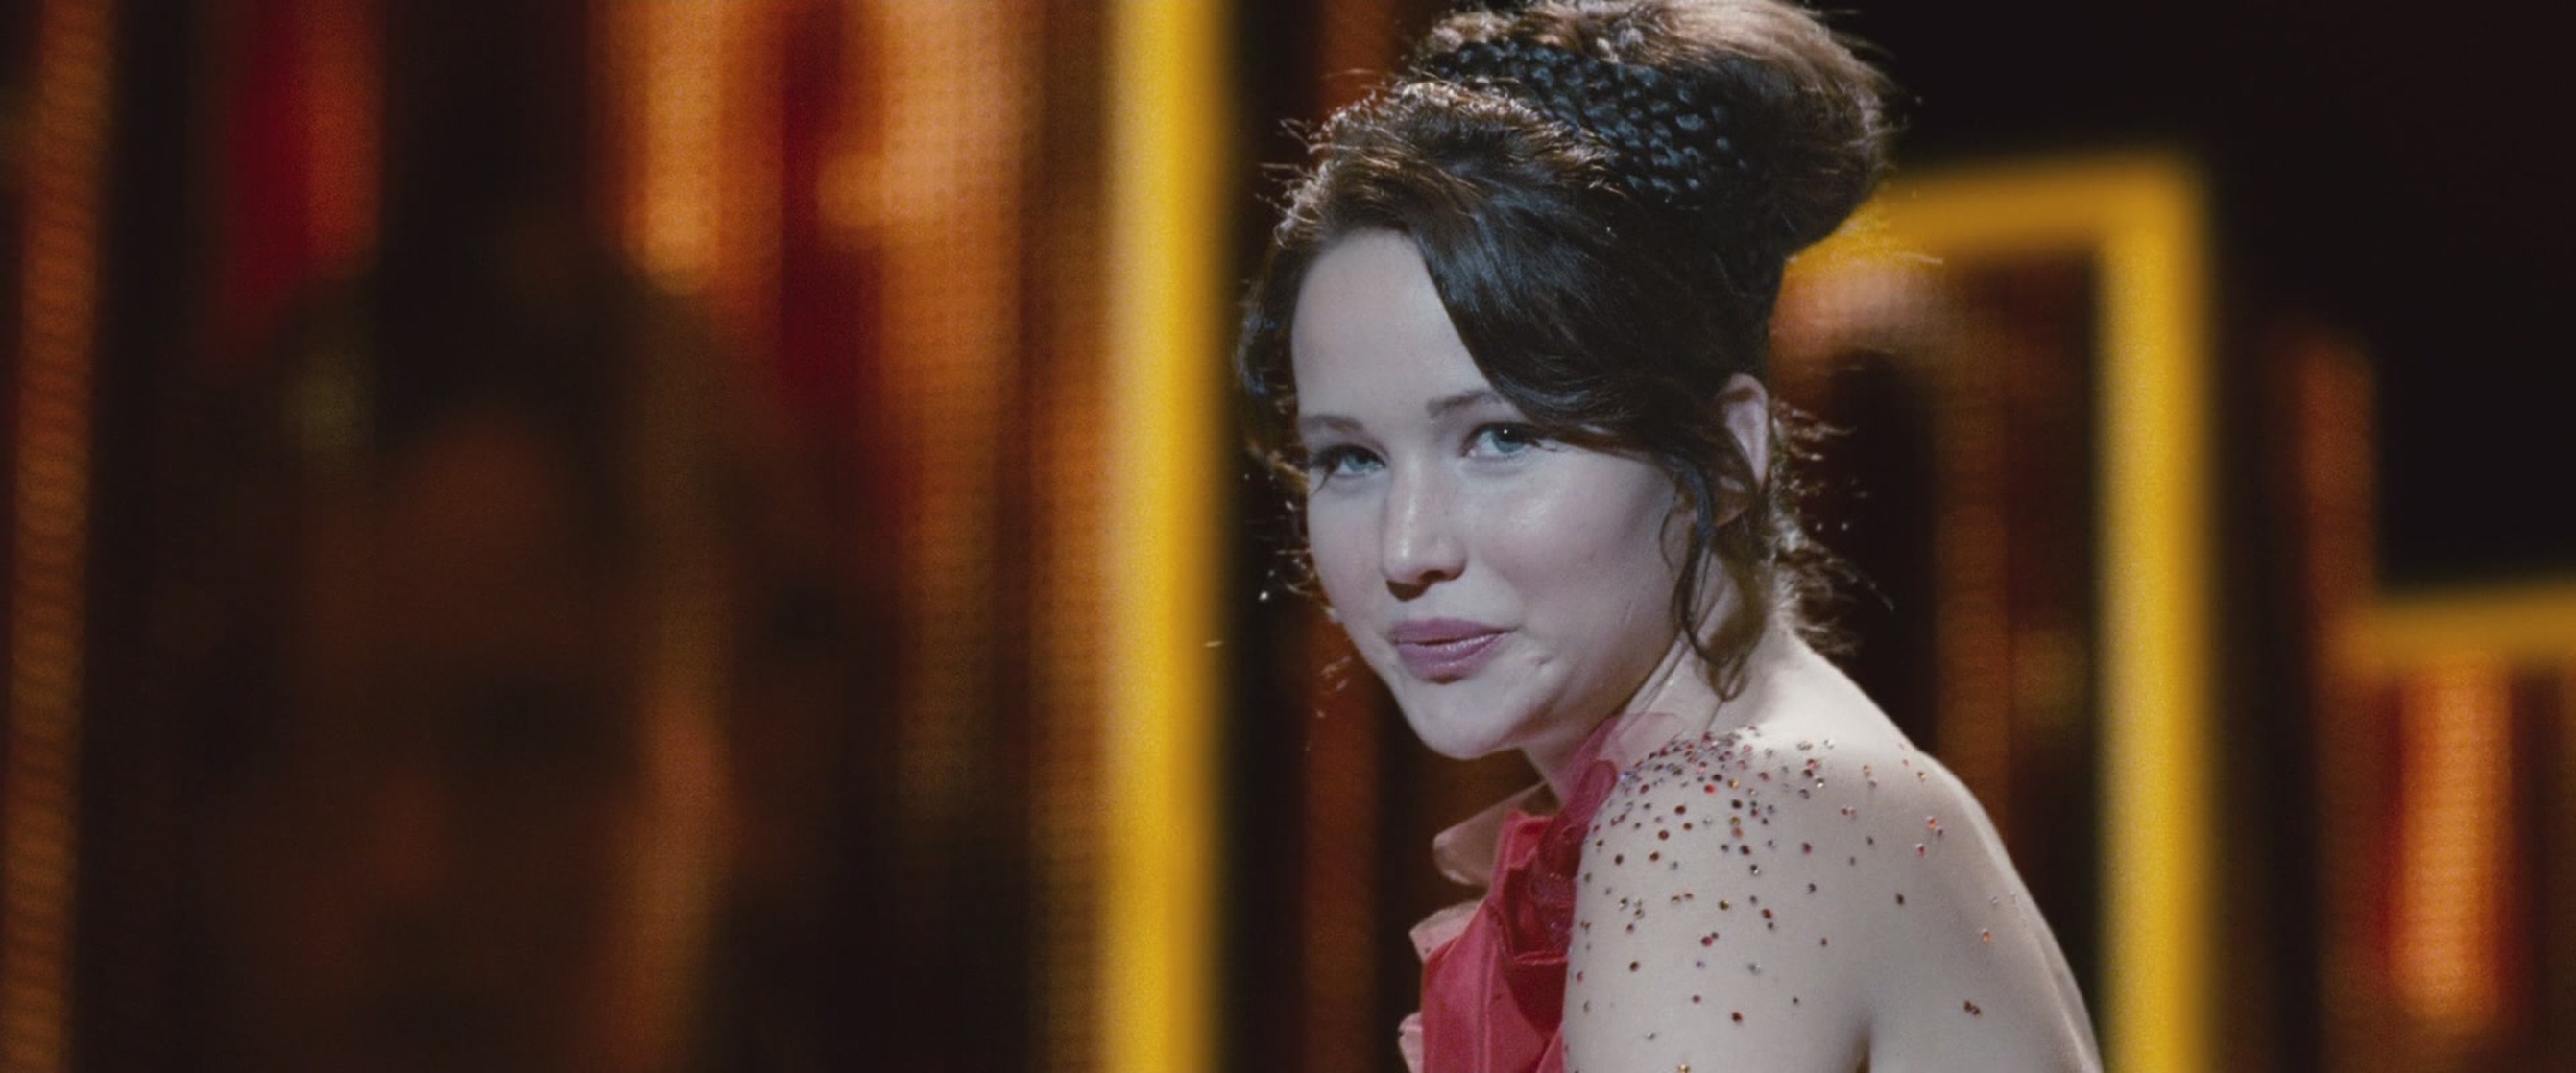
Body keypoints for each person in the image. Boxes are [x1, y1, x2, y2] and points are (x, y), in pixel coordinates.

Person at [1234, 2, 2102, 1070]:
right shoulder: (1791, 777)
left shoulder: (1719, 818)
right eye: (1349, 458)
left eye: (1502, 437)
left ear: (1729, 453)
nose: (1406, 549)